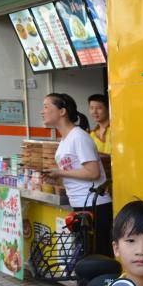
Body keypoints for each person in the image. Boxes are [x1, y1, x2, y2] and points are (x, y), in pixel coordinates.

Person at [41, 92, 113, 257]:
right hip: (81, 204)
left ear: (62, 111)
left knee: (98, 257)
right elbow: (75, 173)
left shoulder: (79, 137)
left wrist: (60, 172)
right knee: (87, 256)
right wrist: (57, 177)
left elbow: (93, 172)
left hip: (95, 205)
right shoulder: (64, 140)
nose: (42, 111)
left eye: (46, 107)